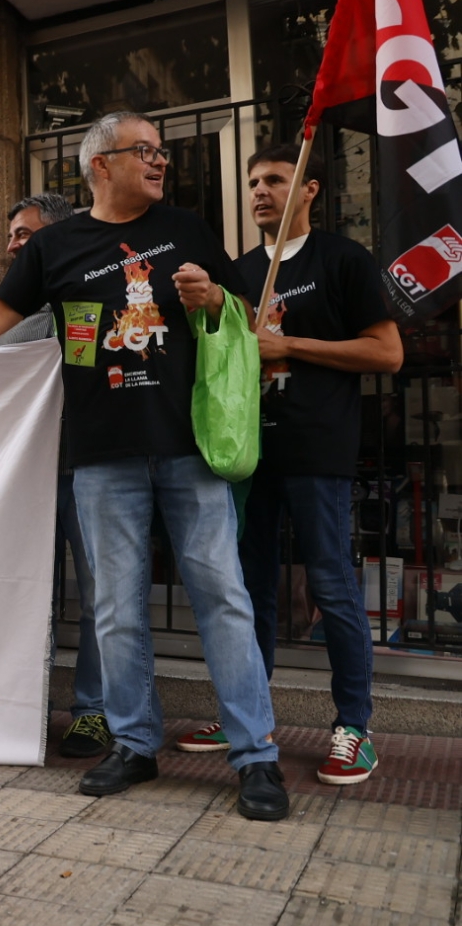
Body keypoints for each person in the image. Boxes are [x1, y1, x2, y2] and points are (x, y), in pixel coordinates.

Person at [0, 111, 288, 821]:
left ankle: (256, 756)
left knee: (223, 600)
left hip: (189, 448)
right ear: (100, 165)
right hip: (100, 459)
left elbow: (247, 315)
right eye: (144, 151)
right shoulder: (54, 246)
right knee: (116, 611)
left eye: (160, 152)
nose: (159, 162)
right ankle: (134, 744)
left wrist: (213, 299)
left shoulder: (187, 228)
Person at [175, 143, 402, 785]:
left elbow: (387, 354)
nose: (260, 191)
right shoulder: (242, 271)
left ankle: (354, 727)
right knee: (248, 590)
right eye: (253, 182)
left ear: (310, 191)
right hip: (249, 451)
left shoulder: (342, 259)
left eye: (276, 179)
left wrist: (289, 344)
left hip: (316, 449)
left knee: (330, 584)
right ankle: (252, 715)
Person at [0, 194, 110, 759]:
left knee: (99, 597)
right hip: (29, 483)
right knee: (30, 597)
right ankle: (27, 704)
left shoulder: (96, 303)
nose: (13, 244)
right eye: (11, 235)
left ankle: (93, 712)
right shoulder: (5, 323)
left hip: (91, 474)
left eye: (24, 234)